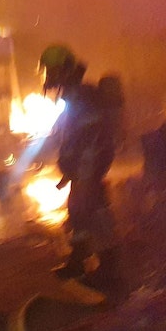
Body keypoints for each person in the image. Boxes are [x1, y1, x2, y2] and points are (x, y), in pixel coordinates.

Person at [38, 45, 124, 285]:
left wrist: (83, 168)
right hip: (82, 168)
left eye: (51, 71)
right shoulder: (73, 95)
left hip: (89, 166)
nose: (48, 77)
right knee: (78, 214)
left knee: (95, 214)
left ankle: (110, 270)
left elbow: (91, 136)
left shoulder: (83, 95)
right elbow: (72, 134)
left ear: (64, 69)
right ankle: (77, 261)